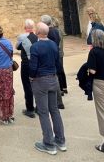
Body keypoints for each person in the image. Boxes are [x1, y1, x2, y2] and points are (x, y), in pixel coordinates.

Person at [29, 22, 66, 155]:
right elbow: (58, 63)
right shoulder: (53, 44)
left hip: (40, 80)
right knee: (54, 110)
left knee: (44, 112)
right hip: (53, 78)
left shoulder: (35, 47)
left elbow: (33, 67)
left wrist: (31, 77)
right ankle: (61, 140)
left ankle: (49, 143)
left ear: (38, 32)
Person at [40, 15, 65, 108]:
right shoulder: (55, 31)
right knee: (55, 78)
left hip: (51, 58)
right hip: (55, 56)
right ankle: (59, 102)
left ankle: (56, 102)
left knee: (52, 78)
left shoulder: (49, 32)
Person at [16, 19, 38, 118]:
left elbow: (18, 47)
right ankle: (39, 107)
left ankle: (30, 109)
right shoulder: (37, 37)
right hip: (37, 63)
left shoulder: (22, 37)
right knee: (37, 85)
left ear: (25, 28)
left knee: (27, 86)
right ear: (33, 27)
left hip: (26, 64)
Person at [53, 17, 68, 95]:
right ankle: (64, 87)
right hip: (60, 52)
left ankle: (61, 89)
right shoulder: (60, 30)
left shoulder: (56, 31)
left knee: (58, 71)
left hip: (58, 53)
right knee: (61, 70)